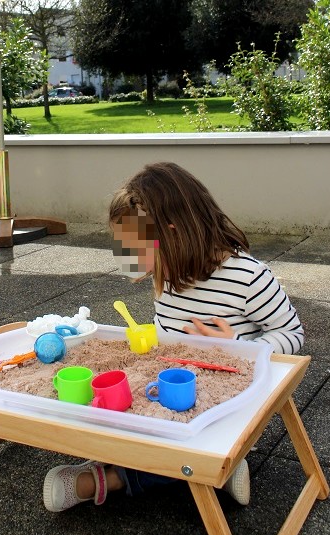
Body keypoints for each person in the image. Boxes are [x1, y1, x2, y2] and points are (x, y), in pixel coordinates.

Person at [43, 162, 304, 512]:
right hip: (173, 386)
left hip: (226, 397)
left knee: (171, 439)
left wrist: (240, 348)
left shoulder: (247, 276)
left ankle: (110, 478)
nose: (127, 256)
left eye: (133, 245)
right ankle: (220, 469)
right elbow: (168, 329)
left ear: (172, 233)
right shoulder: (168, 274)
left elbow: (292, 333)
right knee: (120, 407)